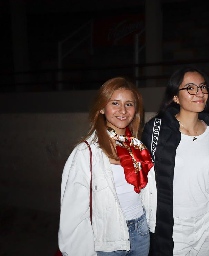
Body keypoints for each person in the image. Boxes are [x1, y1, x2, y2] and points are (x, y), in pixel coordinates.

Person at [58, 77, 154, 256]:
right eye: (115, 103)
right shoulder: (85, 152)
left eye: (129, 104)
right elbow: (73, 212)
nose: (123, 111)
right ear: (102, 107)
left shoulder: (138, 148)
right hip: (107, 238)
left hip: (141, 232)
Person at [141, 66, 209, 256]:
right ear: (175, 97)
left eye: (203, 87)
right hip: (173, 225)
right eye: (190, 88)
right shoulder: (157, 131)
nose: (199, 93)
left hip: (206, 221)